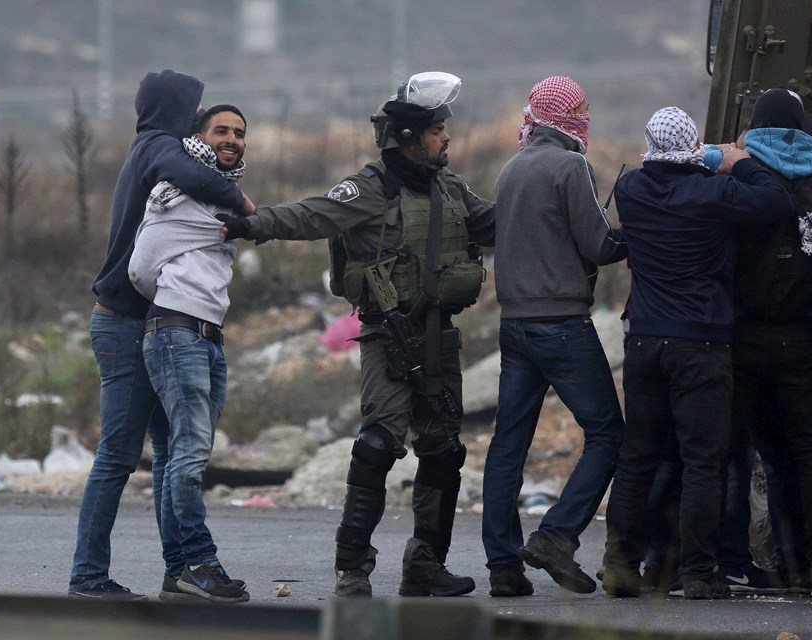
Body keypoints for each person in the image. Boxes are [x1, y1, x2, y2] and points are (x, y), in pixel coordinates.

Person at [216, 71, 495, 598]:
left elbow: (495, 224)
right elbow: (310, 214)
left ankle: (425, 566)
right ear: (412, 138)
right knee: (377, 445)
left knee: (443, 451)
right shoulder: (370, 188)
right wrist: (252, 225)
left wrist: (549, 206)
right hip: (388, 337)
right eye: (438, 130)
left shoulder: (450, 187)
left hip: (440, 337)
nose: (447, 138)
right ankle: (352, 568)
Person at [69, 70, 253, 600]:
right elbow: (203, 182)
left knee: (171, 451)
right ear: (175, 109)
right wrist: (245, 208)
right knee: (119, 455)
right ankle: (87, 576)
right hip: (126, 320)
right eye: (193, 108)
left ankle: (181, 569)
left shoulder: (153, 148)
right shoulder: (158, 146)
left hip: (146, 320)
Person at [600, 106, 794, 600]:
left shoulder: (631, 190)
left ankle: (621, 564)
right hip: (701, 342)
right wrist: (735, 159)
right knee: (703, 460)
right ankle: (699, 573)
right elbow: (775, 201)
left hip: (644, 341)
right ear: (692, 146)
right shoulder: (715, 192)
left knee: (638, 455)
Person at [481, 75, 626, 597]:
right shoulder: (572, 165)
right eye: (581, 108)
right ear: (567, 117)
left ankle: (502, 566)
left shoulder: (511, 167)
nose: (585, 116)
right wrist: (638, 228)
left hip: (514, 326)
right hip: (562, 325)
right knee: (610, 434)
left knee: (508, 445)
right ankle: (557, 535)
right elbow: (599, 245)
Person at [128, 104, 251, 604]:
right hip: (178, 332)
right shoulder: (177, 195)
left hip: (206, 334)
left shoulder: (217, 197)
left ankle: (177, 570)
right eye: (221, 130)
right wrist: (176, 301)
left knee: (180, 453)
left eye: (240, 133)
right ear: (199, 137)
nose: (232, 139)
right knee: (191, 453)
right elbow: (140, 268)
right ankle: (200, 562)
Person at [727, 88, 812, 598]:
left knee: (754, 453)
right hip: (804, 337)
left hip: (745, 337)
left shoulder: (742, 175)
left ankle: (771, 562)